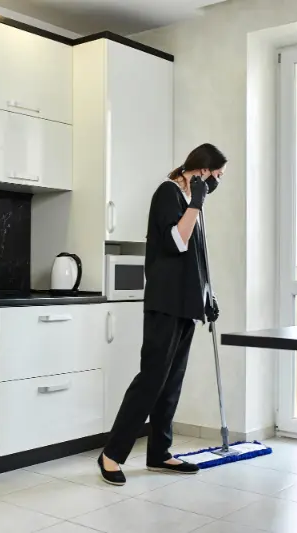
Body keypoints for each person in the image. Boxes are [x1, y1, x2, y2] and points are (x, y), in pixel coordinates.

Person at [97, 143, 227, 485]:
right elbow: (174, 243)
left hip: (186, 303)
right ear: (200, 169)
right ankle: (111, 454)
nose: (217, 183)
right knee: (151, 381)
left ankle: (159, 453)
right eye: (216, 175)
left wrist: (206, 294)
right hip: (165, 302)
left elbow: (195, 256)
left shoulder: (190, 202)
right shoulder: (168, 193)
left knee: (171, 383)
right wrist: (196, 203)